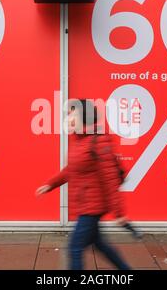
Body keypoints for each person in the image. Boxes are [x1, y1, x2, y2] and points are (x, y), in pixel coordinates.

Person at [36, 99, 131, 270]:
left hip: (92, 207)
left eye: (72, 113)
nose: (69, 118)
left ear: (83, 116)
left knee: (75, 247)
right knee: (100, 245)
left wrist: (119, 213)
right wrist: (51, 184)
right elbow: (72, 169)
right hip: (85, 203)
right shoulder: (79, 140)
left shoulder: (99, 140)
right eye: (69, 113)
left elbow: (110, 179)